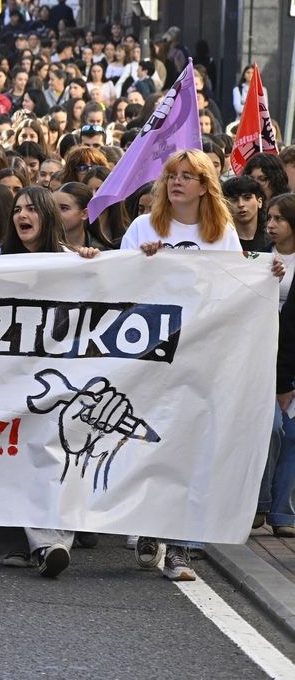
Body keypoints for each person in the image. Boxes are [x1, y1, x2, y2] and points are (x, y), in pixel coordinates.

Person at [122, 149, 280, 580]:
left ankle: (180, 548)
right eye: (172, 175)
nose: (177, 182)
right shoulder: (142, 227)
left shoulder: (221, 232)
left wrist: (268, 273)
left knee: (189, 449)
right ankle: (148, 525)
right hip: (151, 355)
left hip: (200, 353)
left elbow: (235, 286)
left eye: (188, 176)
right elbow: (117, 288)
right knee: (149, 444)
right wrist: (140, 263)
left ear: (205, 186)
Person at [0, 186, 99, 577]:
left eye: (31, 209)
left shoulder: (73, 260)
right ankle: (18, 541)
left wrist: (98, 264)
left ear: (47, 215)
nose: (22, 215)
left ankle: (49, 542)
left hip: (58, 378)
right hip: (7, 377)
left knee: (53, 455)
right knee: (12, 454)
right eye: (17, 209)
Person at [260, 192, 295, 536]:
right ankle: (260, 503)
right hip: (259, 359)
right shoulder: (257, 255)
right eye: (269, 217)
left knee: (293, 435)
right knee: (269, 430)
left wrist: (288, 381)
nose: (271, 225)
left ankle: (282, 513)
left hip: (290, 363)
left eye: (279, 219)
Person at [222, 175, 269, 251]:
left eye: (247, 198)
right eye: (234, 199)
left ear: (259, 202)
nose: (241, 204)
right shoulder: (221, 242)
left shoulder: (273, 241)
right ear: (226, 205)